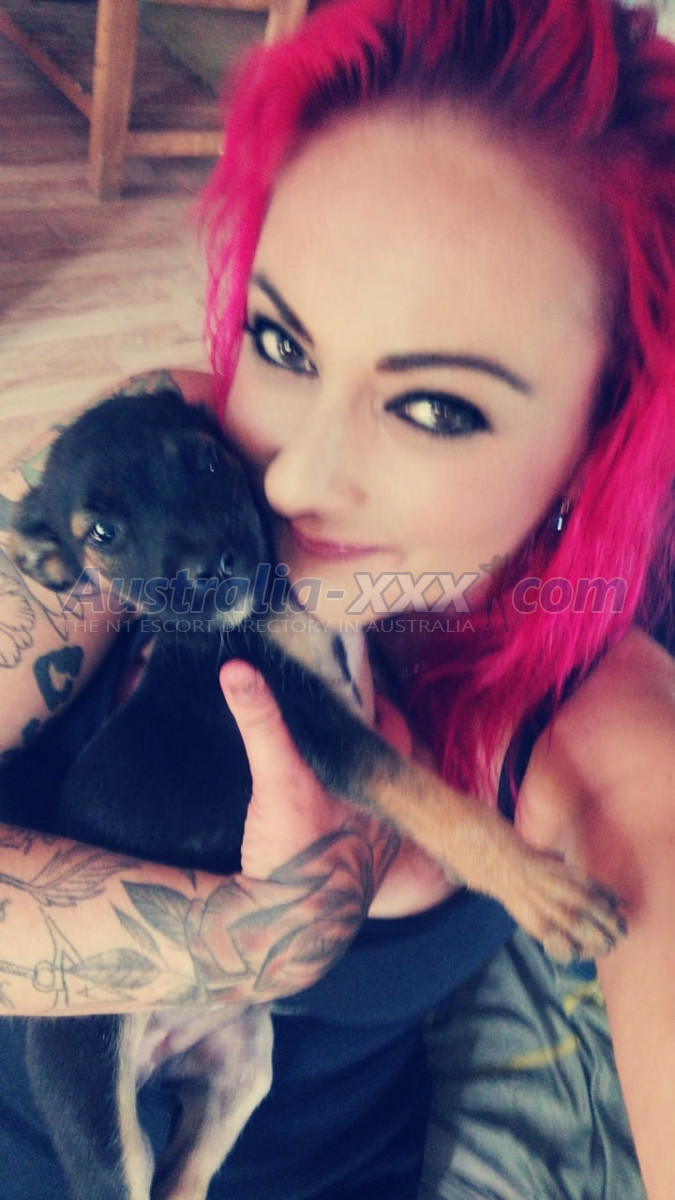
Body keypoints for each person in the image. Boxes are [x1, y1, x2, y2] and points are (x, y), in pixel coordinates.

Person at [0, 0, 673, 1197]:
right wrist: (250, 937)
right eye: (282, 342)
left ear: (598, 434)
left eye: (437, 407)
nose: (292, 479)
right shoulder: (154, 458)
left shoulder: (601, 720)